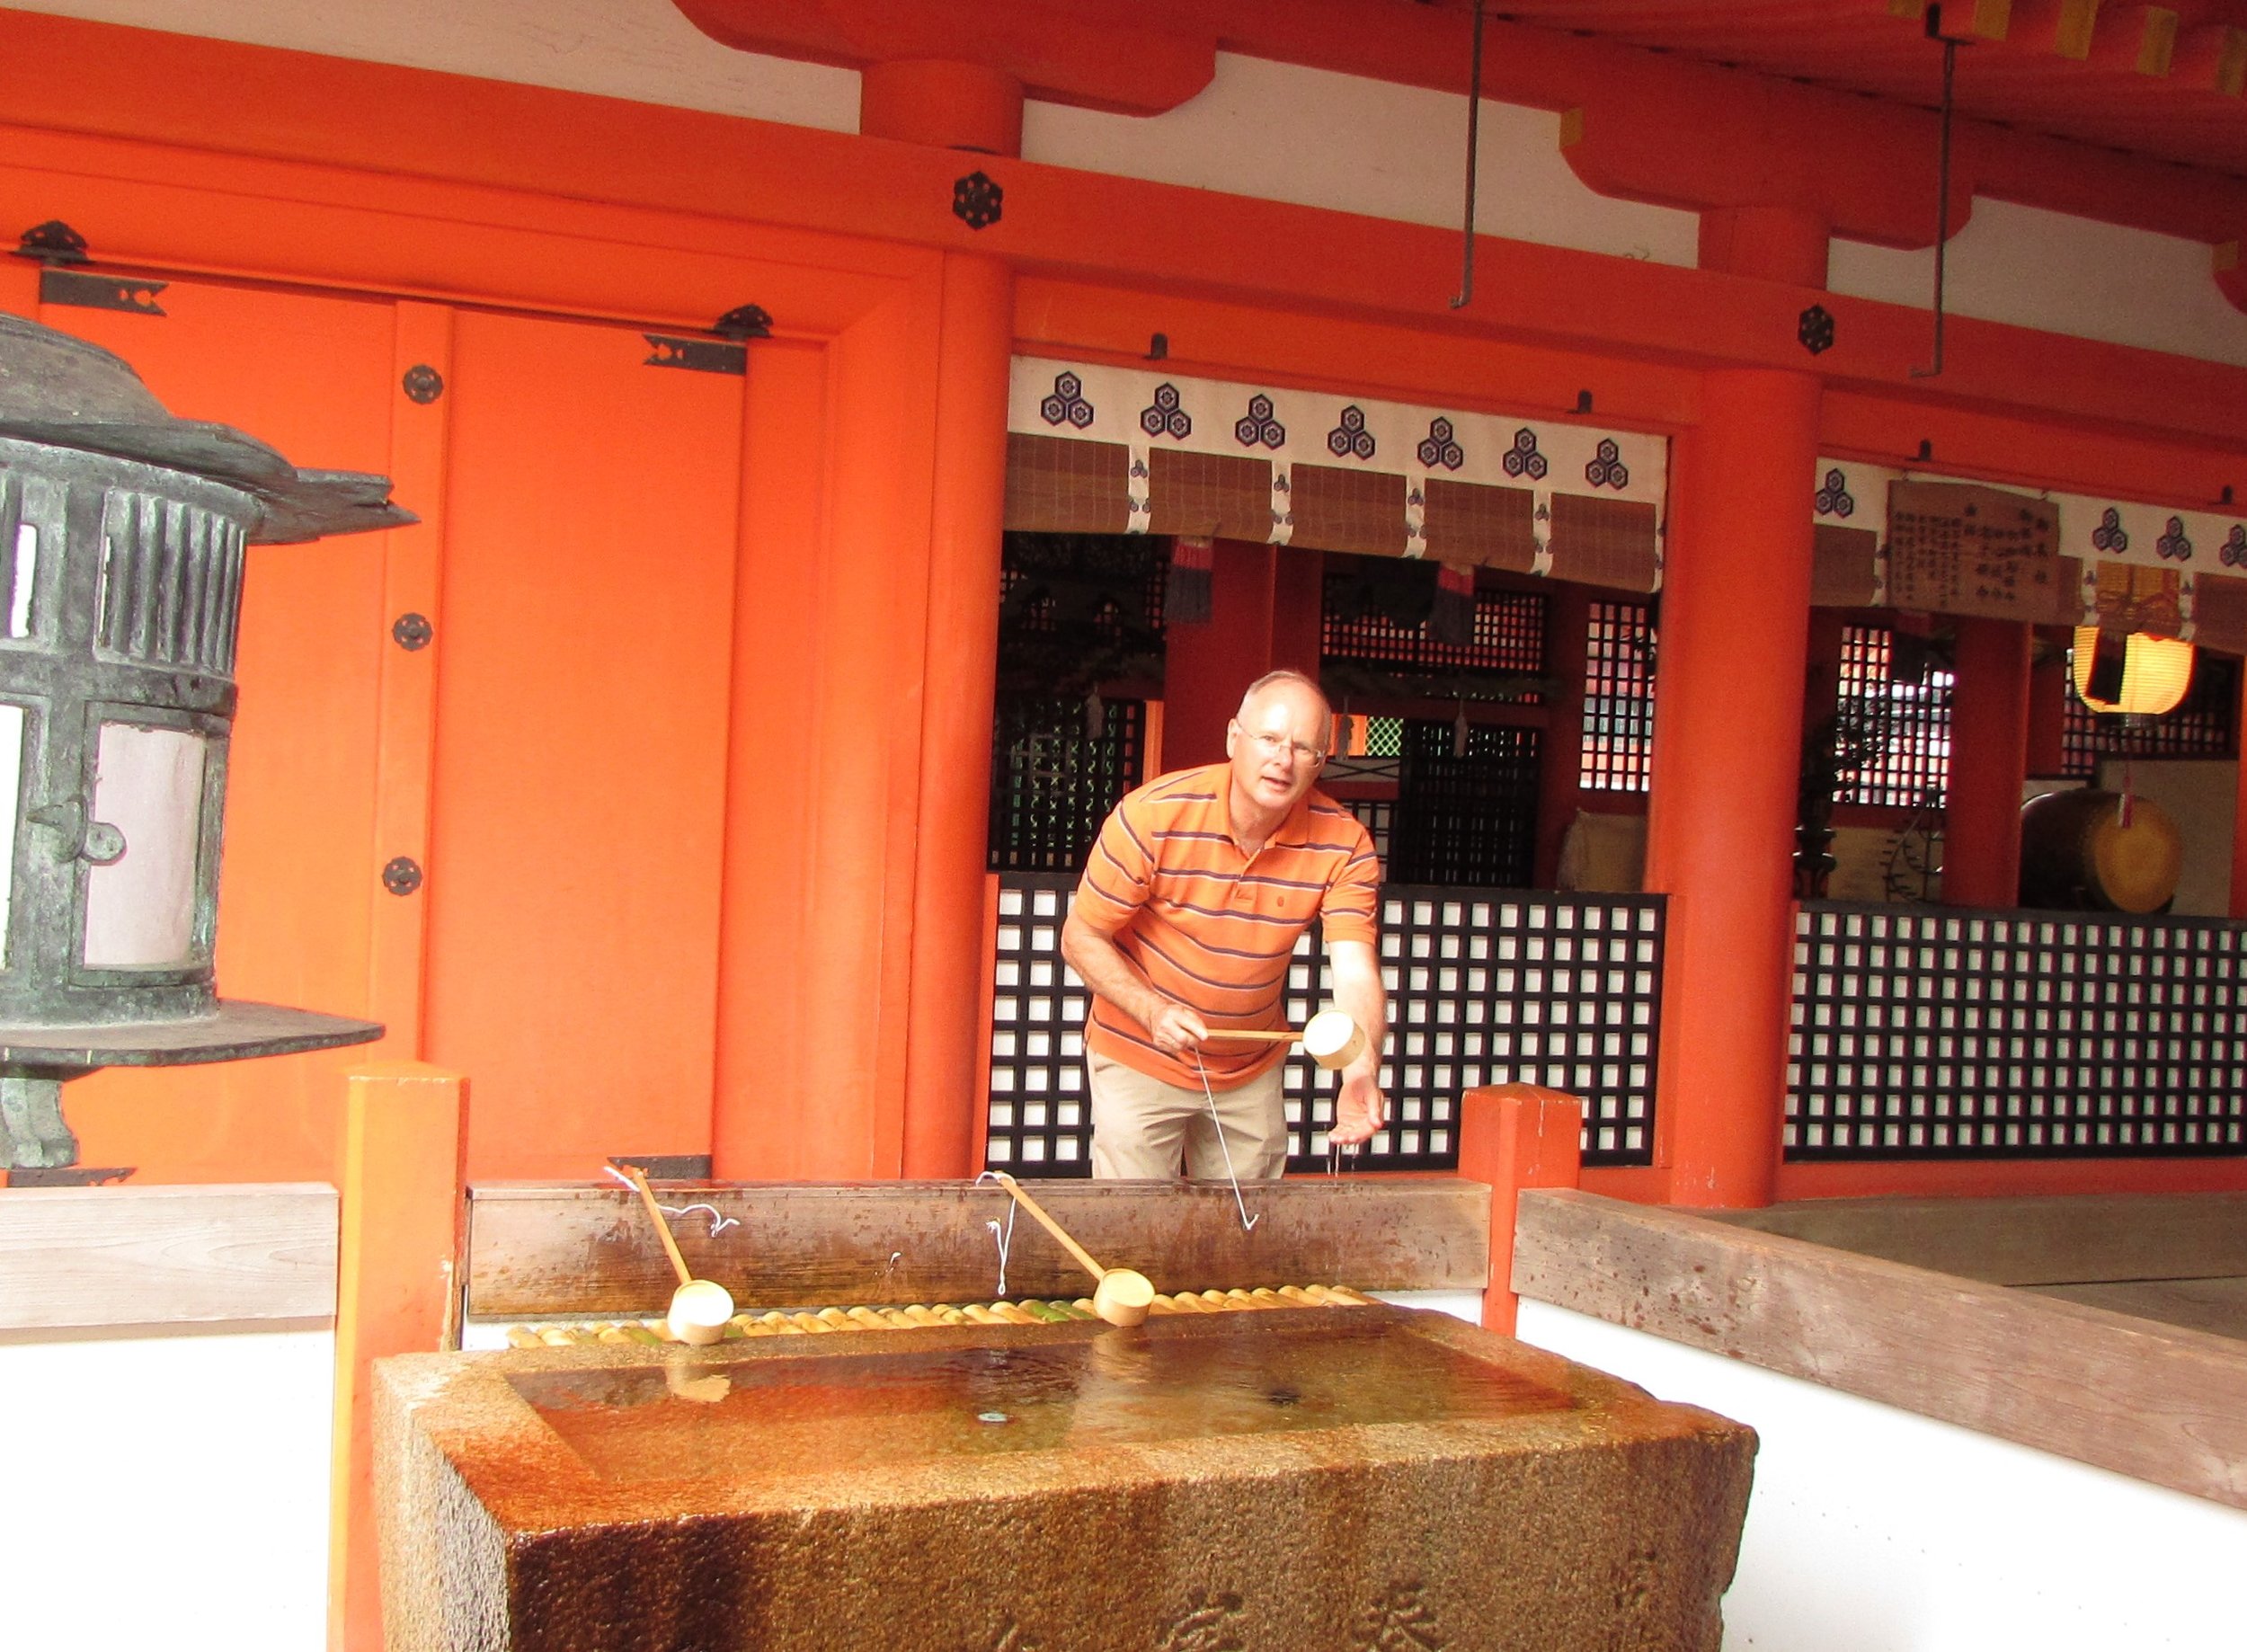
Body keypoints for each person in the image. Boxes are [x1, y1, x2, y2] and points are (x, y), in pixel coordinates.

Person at [1061, 670, 1388, 1179]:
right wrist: (1151, 1010)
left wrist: (1361, 1069)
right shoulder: (1152, 816)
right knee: (1134, 1227)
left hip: (1248, 1065)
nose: (1283, 760)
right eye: (1269, 739)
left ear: (1322, 761)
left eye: (1304, 748)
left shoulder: (1344, 843)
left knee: (1246, 1230)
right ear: (1234, 737)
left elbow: (1355, 971)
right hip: (1140, 1050)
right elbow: (1080, 936)